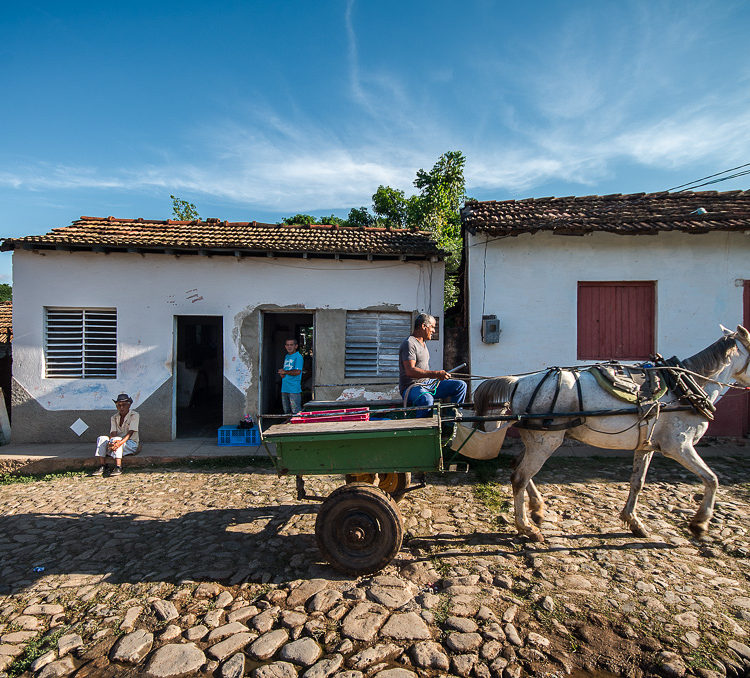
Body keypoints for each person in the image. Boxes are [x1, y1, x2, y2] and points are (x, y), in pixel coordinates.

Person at [399, 313, 467, 417]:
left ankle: (451, 422)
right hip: (412, 387)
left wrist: (437, 376)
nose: (434, 331)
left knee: (460, 386)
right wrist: (436, 374)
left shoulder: (423, 343)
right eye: (433, 327)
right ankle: (421, 430)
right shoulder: (409, 343)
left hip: (428, 384)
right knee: (427, 400)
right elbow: (410, 371)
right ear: (423, 326)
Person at [91, 393, 140, 477]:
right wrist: (111, 442)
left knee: (116, 439)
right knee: (102, 438)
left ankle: (118, 466)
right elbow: (113, 432)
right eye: (119, 405)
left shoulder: (134, 415)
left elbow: (130, 432)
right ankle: (103, 465)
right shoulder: (114, 417)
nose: (121, 407)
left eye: (124, 405)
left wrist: (119, 443)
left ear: (129, 405)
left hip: (130, 443)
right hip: (117, 443)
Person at [278, 338, 303, 414]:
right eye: (287, 345)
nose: (289, 347)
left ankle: (297, 426)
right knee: (286, 411)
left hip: (294, 389)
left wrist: (284, 372)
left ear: (296, 346)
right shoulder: (287, 356)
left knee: (295, 411)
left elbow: (298, 372)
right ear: (285, 346)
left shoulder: (298, 357)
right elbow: (287, 372)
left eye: (291, 345)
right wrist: (282, 374)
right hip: (285, 388)